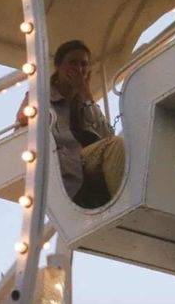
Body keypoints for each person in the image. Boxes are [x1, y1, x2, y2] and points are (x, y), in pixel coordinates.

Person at [17, 40, 125, 208]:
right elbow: (22, 120)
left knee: (123, 145)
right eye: (73, 63)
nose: (79, 69)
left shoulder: (83, 101)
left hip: (87, 158)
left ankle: (122, 198)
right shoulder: (41, 95)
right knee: (116, 145)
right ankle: (123, 202)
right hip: (65, 160)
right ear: (58, 66)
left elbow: (107, 135)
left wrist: (86, 94)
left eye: (83, 64)